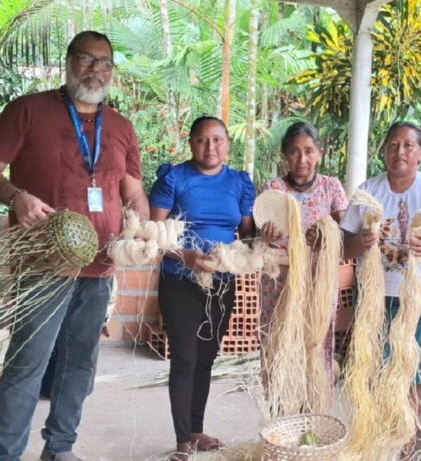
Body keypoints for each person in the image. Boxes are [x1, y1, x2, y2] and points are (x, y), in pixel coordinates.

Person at [0, 31, 150, 461]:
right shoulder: (28, 111)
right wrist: (16, 197)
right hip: (41, 266)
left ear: (111, 71)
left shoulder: (121, 127)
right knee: (27, 364)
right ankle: (6, 455)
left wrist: (143, 231)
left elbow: (133, 194)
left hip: (100, 268)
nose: (95, 70)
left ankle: (60, 448)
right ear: (68, 63)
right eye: (86, 60)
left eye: (104, 62)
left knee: (80, 366)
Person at [340, 121, 421, 452]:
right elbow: (343, 245)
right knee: (373, 372)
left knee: (412, 375)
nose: (400, 151)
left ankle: (406, 449)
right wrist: (361, 243)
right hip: (374, 301)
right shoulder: (369, 191)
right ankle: (375, 446)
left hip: (418, 301)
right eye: (393, 144)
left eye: (408, 146)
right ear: (384, 151)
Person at [148, 115, 255, 461]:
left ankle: (196, 430)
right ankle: (182, 442)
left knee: (206, 359)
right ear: (191, 143)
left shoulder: (239, 182)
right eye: (202, 140)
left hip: (222, 282)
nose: (210, 147)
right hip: (179, 279)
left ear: (228, 144)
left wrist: (264, 247)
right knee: (185, 357)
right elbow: (153, 235)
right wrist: (185, 255)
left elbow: (248, 234)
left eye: (218, 140)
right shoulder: (174, 178)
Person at [258, 121, 349, 382]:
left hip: (317, 282)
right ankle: (280, 415)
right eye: (295, 151)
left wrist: (326, 235)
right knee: (279, 345)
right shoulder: (273, 189)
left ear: (319, 152)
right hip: (279, 283)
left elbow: (345, 232)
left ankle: (313, 411)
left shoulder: (331, 188)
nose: (302, 159)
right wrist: (268, 236)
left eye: (309, 151)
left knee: (315, 345)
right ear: (285, 155)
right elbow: (261, 231)